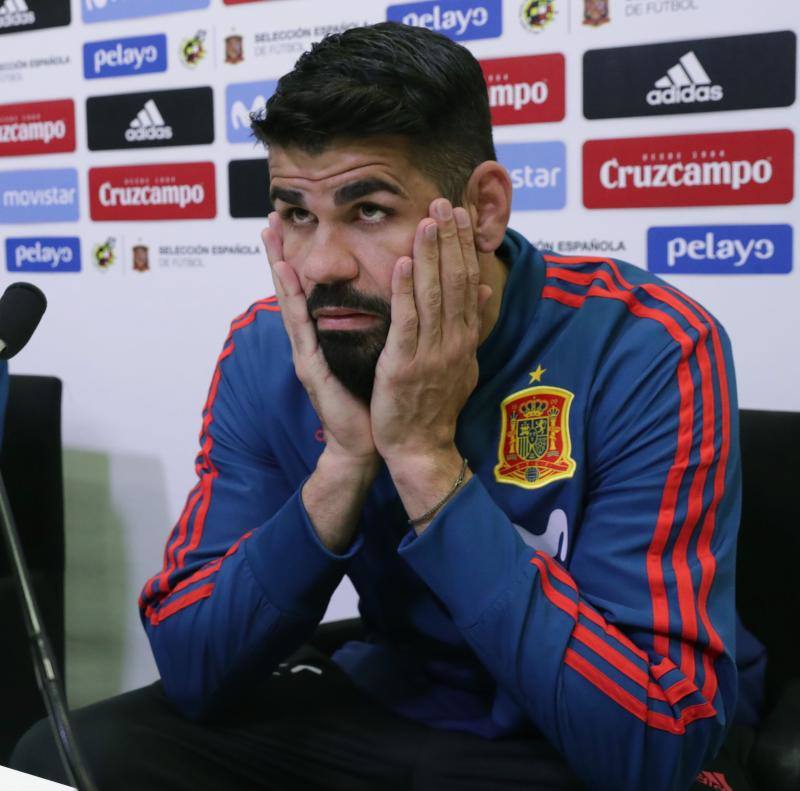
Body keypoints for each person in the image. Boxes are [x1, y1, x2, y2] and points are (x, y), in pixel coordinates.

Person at [12, 22, 764, 791]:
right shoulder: (272, 348)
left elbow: (653, 745)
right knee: (64, 754)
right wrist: (343, 462)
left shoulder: (646, 344)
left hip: (578, 732)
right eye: (297, 213)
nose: (321, 265)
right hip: (393, 697)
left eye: (368, 209)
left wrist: (425, 459)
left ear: (485, 208)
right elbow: (196, 668)